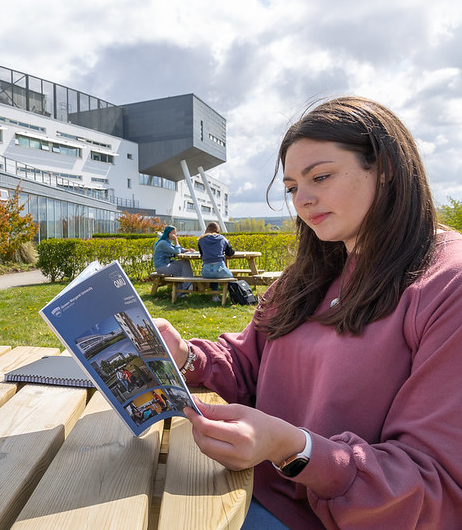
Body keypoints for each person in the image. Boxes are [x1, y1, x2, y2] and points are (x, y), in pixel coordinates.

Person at [155, 96, 462, 528]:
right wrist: (187, 355)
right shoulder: (310, 272)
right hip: (236, 485)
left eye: (321, 176)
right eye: (293, 187)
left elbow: (433, 486)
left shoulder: (447, 285)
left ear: (387, 169)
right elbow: (248, 365)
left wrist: (293, 450)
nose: (303, 200)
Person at [197, 222, 236, 301]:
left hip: (206, 271)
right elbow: (230, 252)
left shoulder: (201, 239)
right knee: (230, 277)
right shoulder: (222, 238)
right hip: (219, 268)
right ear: (218, 230)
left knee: (214, 275)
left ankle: (215, 296)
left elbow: (202, 254)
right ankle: (233, 297)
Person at [153, 225, 196, 296]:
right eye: (173, 233)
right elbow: (177, 251)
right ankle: (187, 287)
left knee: (184, 262)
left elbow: (178, 249)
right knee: (181, 268)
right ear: (168, 233)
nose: (175, 235)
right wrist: (176, 240)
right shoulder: (163, 243)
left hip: (167, 264)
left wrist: (188, 250)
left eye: (175, 233)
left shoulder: (168, 242)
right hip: (161, 266)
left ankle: (184, 288)